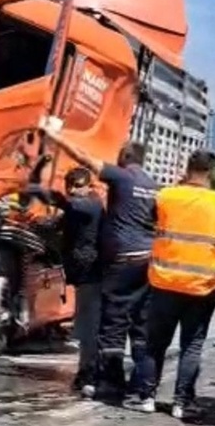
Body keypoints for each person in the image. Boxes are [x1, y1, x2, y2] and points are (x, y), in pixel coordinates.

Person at [39, 124, 158, 406]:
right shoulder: (152, 186)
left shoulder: (123, 176)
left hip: (123, 261)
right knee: (140, 326)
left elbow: (83, 157)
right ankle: (142, 388)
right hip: (147, 260)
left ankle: (110, 384)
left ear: (125, 158)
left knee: (112, 324)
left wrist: (55, 136)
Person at [136, 150, 215, 419]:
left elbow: (151, 225)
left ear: (187, 169)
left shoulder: (166, 196)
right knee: (192, 344)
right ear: (211, 173)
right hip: (203, 284)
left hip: (164, 280)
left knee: (155, 343)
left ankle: (147, 397)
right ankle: (181, 403)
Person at [22, 167, 105, 392]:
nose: (73, 190)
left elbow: (68, 205)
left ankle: (91, 375)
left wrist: (38, 189)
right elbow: (56, 224)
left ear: (89, 186)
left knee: (89, 328)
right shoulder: (78, 209)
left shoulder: (90, 205)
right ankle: (86, 372)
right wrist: (30, 223)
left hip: (92, 274)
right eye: (70, 185)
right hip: (83, 274)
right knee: (85, 327)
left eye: (78, 185)